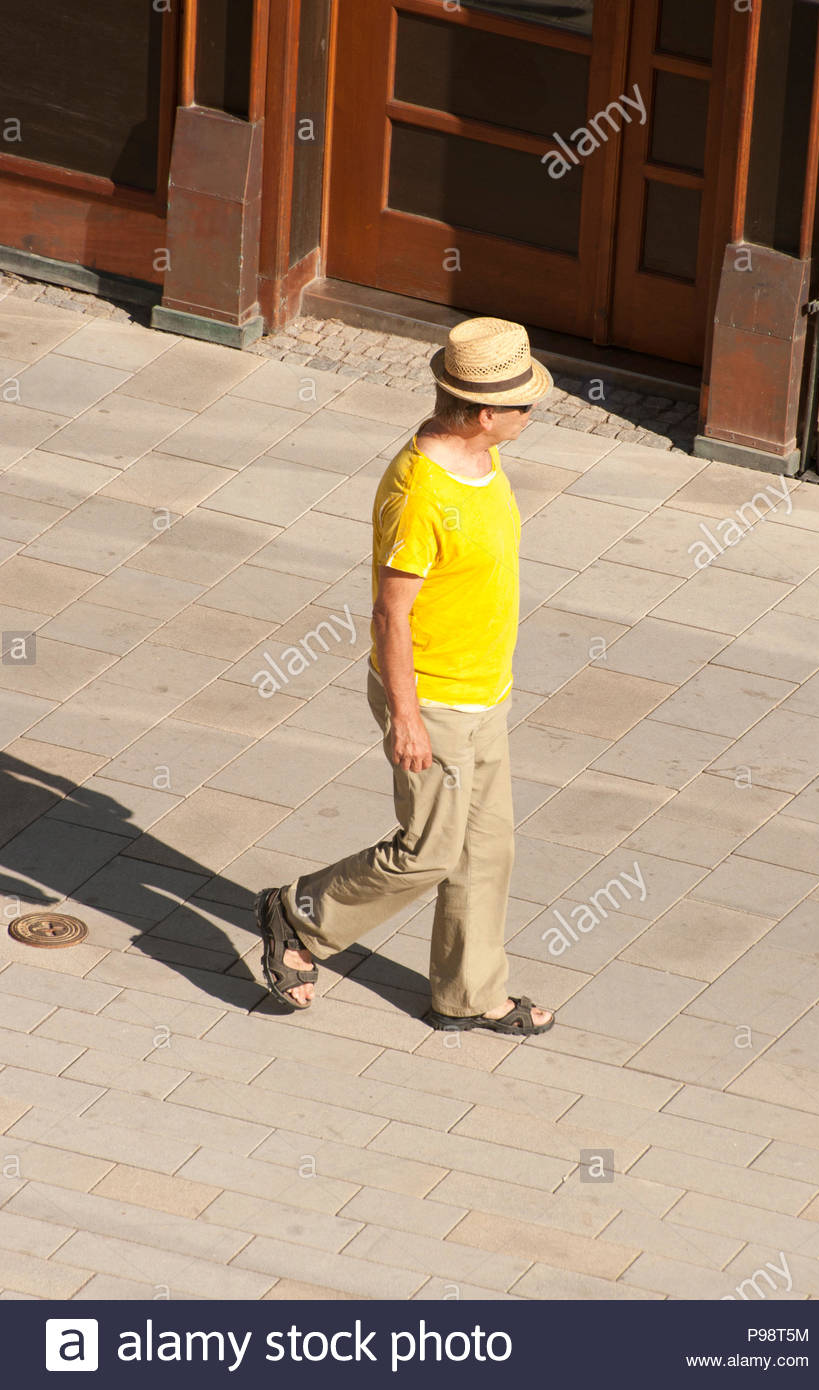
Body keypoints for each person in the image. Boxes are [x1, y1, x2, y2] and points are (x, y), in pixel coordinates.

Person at [256, 316, 555, 1036]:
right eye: (523, 406)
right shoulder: (423, 494)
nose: (531, 414)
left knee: (486, 850)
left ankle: (468, 994)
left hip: (484, 693)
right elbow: (390, 616)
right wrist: (408, 718)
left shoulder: (480, 459)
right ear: (484, 415)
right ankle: (299, 914)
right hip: (434, 699)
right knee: (429, 851)